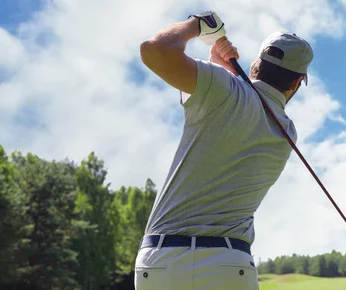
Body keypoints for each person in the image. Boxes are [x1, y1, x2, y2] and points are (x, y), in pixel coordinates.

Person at [134, 10, 313, 290]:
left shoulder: (222, 87)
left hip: (162, 260)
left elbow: (155, 51)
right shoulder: (288, 133)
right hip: (230, 264)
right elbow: (236, 107)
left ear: (256, 63)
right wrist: (217, 69)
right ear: (296, 82)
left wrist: (199, 25)